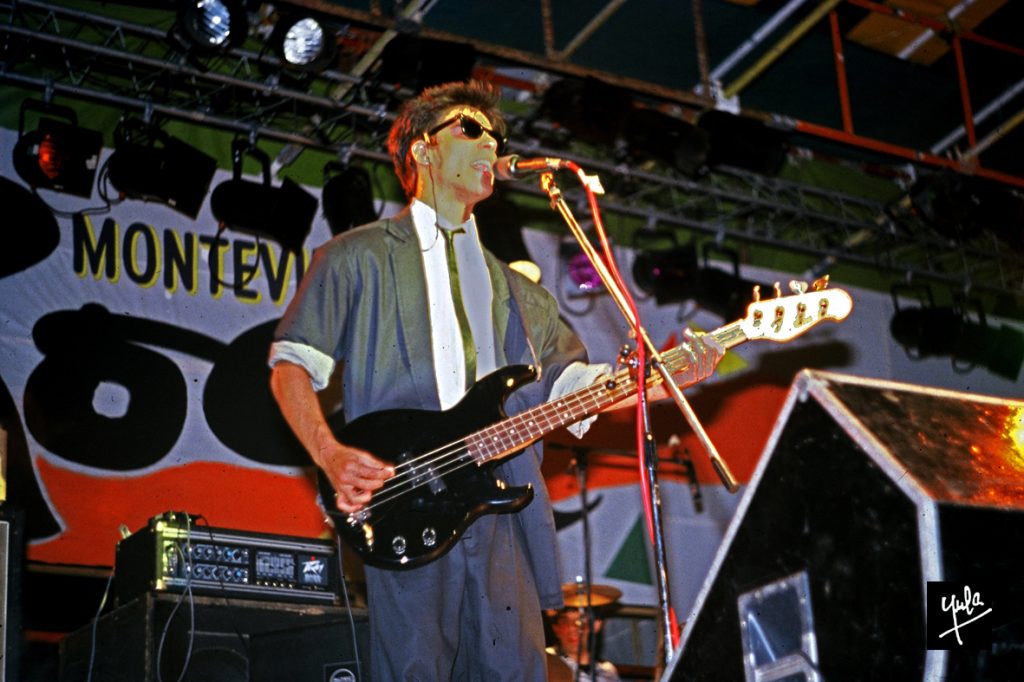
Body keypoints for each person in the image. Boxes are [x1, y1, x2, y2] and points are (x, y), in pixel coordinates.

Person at [268, 79, 722, 680]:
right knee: (415, 671)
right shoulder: (357, 257)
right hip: (404, 498)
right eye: (471, 129)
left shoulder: (522, 293)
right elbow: (291, 366)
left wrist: (661, 381)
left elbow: (570, 385)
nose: (492, 144)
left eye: (498, 136)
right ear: (422, 151)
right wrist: (329, 454)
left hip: (502, 506)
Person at [546, 605, 622, 682]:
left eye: (580, 621)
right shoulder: (546, 660)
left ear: (596, 625)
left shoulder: (608, 670)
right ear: (556, 628)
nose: (571, 628)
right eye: (564, 621)